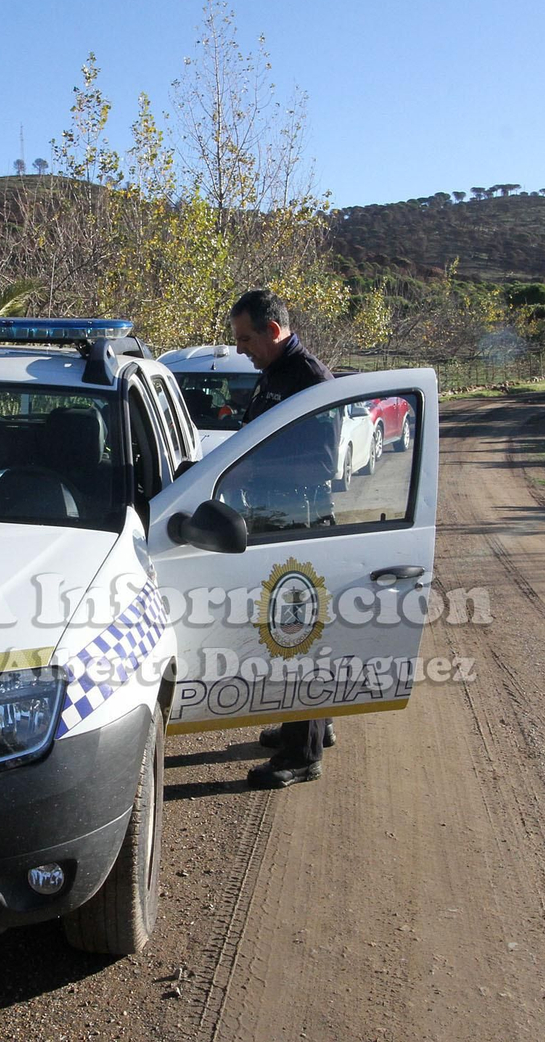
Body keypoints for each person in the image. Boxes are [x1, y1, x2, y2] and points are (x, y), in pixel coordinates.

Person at [229, 288, 337, 790]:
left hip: (302, 522)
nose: (240, 349)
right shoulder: (275, 373)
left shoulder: (309, 379)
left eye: (247, 338)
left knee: (297, 638)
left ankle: (302, 754)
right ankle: (314, 725)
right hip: (279, 518)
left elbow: (321, 464)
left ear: (273, 330)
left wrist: (254, 464)